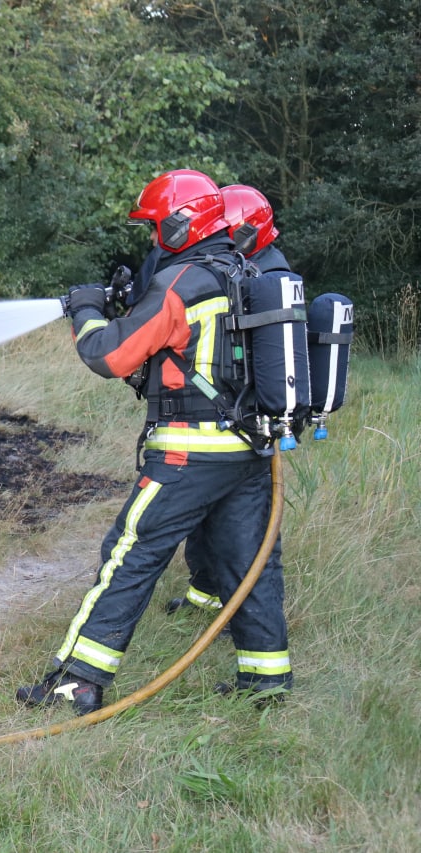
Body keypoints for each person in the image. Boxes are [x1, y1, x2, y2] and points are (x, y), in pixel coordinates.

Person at [16, 170, 293, 715]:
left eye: (154, 227)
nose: (151, 238)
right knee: (250, 564)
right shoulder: (244, 272)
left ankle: (78, 684)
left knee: (129, 555)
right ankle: (267, 685)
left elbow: (110, 355)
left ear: (180, 223)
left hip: (189, 455)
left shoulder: (182, 281)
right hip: (248, 453)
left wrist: (88, 308)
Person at [165, 184, 291, 621]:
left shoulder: (266, 278)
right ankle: (204, 601)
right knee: (211, 523)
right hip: (239, 420)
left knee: (248, 539)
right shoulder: (252, 271)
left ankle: (255, 650)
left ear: (251, 233)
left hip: (244, 421)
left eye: (231, 235)